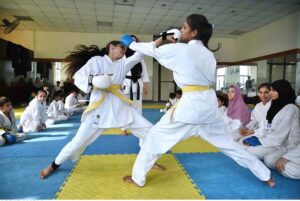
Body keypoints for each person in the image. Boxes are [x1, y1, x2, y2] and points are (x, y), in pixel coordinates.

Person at [120, 14, 275, 187]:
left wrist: (131, 43)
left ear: (193, 32)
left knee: (154, 138)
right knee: (229, 145)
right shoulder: (208, 55)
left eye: (184, 27)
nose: (181, 30)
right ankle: (265, 176)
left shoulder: (182, 49)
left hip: (190, 107)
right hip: (208, 107)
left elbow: (151, 50)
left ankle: (138, 178)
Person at [39, 41, 164, 179]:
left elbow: (139, 54)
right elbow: (79, 77)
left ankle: (148, 161)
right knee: (77, 143)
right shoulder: (97, 61)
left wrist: (162, 39)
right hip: (98, 110)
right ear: (112, 47)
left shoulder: (123, 64)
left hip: (120, 109)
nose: (124, 50)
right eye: (122, 47)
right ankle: (53, 165)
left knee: (151, 132)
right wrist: (94, 80)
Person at [241, 80, 300, 160]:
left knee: (251, 151)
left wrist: (260, 141)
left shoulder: (290, 108)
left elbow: (280, 135)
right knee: (243, 144)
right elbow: (265, 125)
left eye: (273, 90)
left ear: (282, 91)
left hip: (278, 143)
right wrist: (256, 137)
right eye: (261, 92)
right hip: (267, 138)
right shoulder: (274, 106)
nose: (270, 93)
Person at [121, 35, 150, 135]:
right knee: (125, 107)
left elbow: (144, 72)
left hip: (137, 84)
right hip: (125, 84)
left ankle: (138, 127)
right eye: (130, 41)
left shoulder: (140, 56)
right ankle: (123, 128)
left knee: (138, 107)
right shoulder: (122, 56)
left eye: (134, 41)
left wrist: (146, 86)